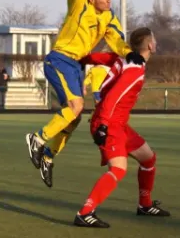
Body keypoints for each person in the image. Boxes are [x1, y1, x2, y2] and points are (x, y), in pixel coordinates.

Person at [25, 0, 144, 188]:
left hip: (77, 66)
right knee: (75, 107)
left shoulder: (108, 17)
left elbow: (117, 40)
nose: (109, 0)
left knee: (75, 116)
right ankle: (37, 138)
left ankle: (48, 155)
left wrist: (127, 52)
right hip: (59, 59)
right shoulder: (79, 3)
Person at [73, 27, 170, 229]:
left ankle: (145, 205)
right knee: (118, 169)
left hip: (118, 124)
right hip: (108, 122)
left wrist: (83, 59)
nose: (156, 42)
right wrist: (104, 126)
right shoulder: (135, 70)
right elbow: (113, 96)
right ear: (150, 46)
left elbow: (104, 57)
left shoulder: (124, 58)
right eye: (154, 39)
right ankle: (85, 212)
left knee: (148, 158)